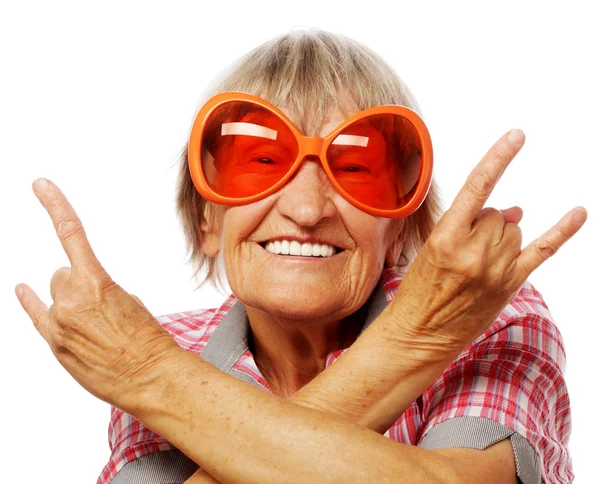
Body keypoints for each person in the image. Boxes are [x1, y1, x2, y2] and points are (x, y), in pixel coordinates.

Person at [15, 29, 587, 484]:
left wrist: (152, 377)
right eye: (259, 161)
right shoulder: (169, 349)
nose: (307, 208)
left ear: (401, 228)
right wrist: (412, 344)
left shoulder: (487, 316)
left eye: (358, 167)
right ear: (206, 220)